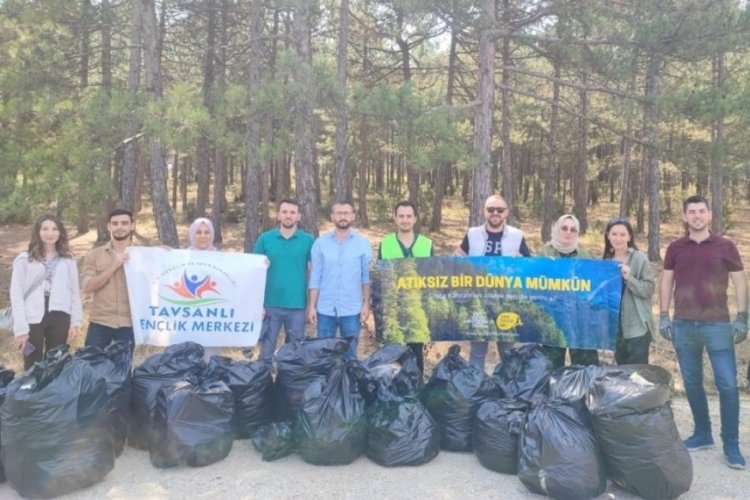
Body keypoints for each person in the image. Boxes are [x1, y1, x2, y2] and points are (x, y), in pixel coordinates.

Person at [660, 195, 747, 470]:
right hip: (684, 324)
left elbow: (740, 281)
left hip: (718, 325)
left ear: (709, 215)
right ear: (685, 217)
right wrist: (663, 315)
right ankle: (702, 433)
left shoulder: (726, 246)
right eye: (691, 212)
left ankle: (731, 444)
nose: (697, 216)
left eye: (701, 211)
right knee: (693, 383)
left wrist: (743, 317)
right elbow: (666, 281)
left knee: (728, 386)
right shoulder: (675, 247)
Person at [454, 194, 531, 371]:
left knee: (507, 351)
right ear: (484, 212)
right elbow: (457, 258)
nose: (495, 213)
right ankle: (476, 389)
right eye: (491, 209)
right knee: (477, 351)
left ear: (506, 213)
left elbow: (529, 266)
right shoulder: (472, 234)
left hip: (506, 303)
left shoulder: (517, 236)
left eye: (500, 210)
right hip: (479, 302)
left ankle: (507, 390)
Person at [10, 214, 83, 369]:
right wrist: (21, 329)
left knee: (56, 361)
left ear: (60, 232)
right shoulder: (24, 259)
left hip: (60, 314)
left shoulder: (68, 258)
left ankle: (52, 392)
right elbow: (16, 295)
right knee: (32, 361)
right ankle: (33, 392)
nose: (50, 233)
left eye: (55, 229)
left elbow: (75, 291)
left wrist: (75, 322)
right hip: (32, 316)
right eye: (45, 229)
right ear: (38, 232)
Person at [307, 200, 372, 359]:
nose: (343, 216)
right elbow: (315, 277)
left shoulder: (363, 244)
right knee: (324, 354)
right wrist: (311, 306)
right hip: (325, 309)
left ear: (353, 216)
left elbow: (366, 278)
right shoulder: (320, 243)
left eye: (346, 213)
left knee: (349, 355)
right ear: (332, 216)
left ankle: (348, 383)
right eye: (339, 213)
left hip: (352, 309)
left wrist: (366, 304)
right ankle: (328, 384)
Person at [253, 199, 314, 365]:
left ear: (299, 216)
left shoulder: (308, 240)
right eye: (285, 212)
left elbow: (312, 272)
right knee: (266, 352)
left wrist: (311, 305)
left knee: (294, 354)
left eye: (292, 212)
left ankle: (289, 388)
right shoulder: (265, 239)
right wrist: (257, 303)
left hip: (297, 306)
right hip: (269, 305)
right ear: (278, 215)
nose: (288, 216)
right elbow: (254, 273)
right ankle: (263, 385)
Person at [377, 200, 434, 374]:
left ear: (415, 219)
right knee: (391, 354)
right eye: (401, 216)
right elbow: (380, 277)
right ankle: (392, 392)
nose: (405, 220)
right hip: (393, 309)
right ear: (395, 218)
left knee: (415, 354)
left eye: (409, 216)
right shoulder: (385, 243)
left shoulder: (427, 244)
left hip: (417, 309)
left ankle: (416, 391)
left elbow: (432, 279)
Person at [539, 214, 598, 369]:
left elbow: (593, 284)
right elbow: (535, 283)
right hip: (553, 319)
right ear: (557, 229)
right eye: (564, 228)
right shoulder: (545, 254)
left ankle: (581, 393)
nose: (568, 232)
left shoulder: (585, 255)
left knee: (583, 367)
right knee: (551, 366)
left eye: (573, 229)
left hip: (578, 320)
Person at [81, 208, 135, 351]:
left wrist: (162, 254)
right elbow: (87, 287)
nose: (119, 227)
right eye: (115, 223)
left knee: (122, 372)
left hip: (128, 323)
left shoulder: (143, 256)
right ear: (109, 226)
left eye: (124, 223)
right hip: (99, 323)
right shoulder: (94, 255)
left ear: (132, 226)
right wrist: (114, 265)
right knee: (91, 370)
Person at [602, 217, 655, 365]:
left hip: (636, 326)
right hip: (616, 327)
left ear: (629, 237)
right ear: (608, 235)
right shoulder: (604, 262)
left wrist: (629, 278)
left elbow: (648, 290)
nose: (618, 238)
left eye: (622, 234)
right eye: (614, 234)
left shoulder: (639, 259)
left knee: (637, 373)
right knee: (622, 370)